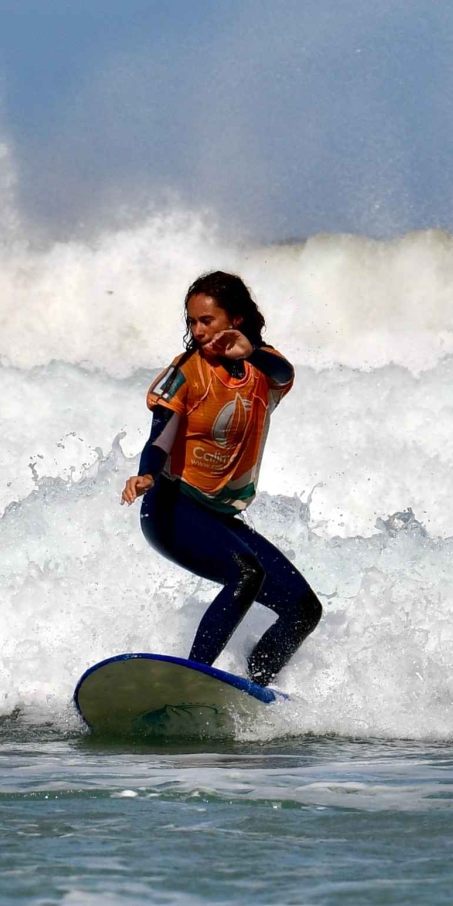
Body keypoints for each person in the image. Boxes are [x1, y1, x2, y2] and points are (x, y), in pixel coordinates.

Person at [121, 271, 322, 686]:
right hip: (170, 508)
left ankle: (255, 685)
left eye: (206, 321)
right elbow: (161, 437)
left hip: (217, 516)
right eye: (192, 322)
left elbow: (283, 374)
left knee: (304, 608)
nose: (197, 331)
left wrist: (252, 352)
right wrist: (144, 474)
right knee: (245, 573)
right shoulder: (186, 372)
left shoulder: (262, 371)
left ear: (237, 320)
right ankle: (196, 680)